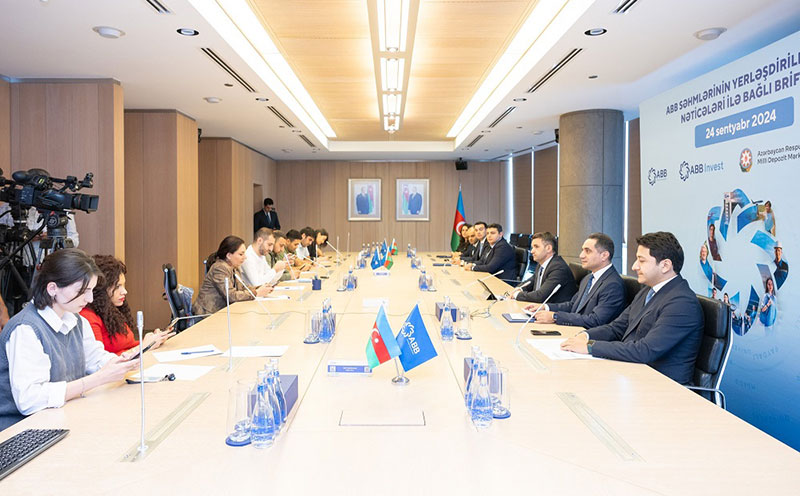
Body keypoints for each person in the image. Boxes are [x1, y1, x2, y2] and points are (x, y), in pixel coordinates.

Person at [0, 249, 140, 430]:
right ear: (52, 288)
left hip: (62, 418)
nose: (89, 299)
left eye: (91, 290)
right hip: (22, 430)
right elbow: (30, 400)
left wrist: (122, 362)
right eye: (82, 291)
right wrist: (97, 379)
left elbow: (95, 359)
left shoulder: (77, 320)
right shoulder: (25, 329)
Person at [561, 231, 704, 385]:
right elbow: (616, 328)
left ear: (665, 265)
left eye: (641, 261)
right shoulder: (647, 291)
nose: (634, 266)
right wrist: (586, 336)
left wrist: (590, 347)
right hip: (632, 373)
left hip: (661, 385)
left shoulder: (682, 303)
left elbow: (644, 351)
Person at [525, 233, 625, 328]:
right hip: (575, 328)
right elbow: (573, 305)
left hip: (590, 336)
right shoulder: (588, 278)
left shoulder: (613, 285)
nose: (581, 255)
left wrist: (555, 317)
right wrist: (545, 307)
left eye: (587, 251)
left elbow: (595, 320)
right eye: (582, 250)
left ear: (604, 255)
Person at [81, 255, 173, 355]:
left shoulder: (111, 311)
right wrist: (145, 346)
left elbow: (128, 347)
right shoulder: (88, 317)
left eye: (123, 285)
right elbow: (100, 361)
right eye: (117, 286)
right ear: (101, 288)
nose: (124, 291)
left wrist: (152, 340)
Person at [194, 236, 272, 315]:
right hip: (207, 315)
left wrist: (261, 288)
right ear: (228, 255)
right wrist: (256, 293)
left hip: (223, 313)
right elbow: (231, 296)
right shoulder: (219, 268)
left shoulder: (234, 267)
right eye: (241, 254)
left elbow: (242, 288)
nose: (245, 257)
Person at [512, 231, 576, 304]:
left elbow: (540, 296)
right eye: (532, 247)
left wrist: (517, 295)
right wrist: (519, 288)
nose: (532, 251)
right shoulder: (542, 264)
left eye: (536, 247)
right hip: (539, 307)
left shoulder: (558, 268)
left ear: (548, 248)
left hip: (553, 309)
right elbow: (530, 282)